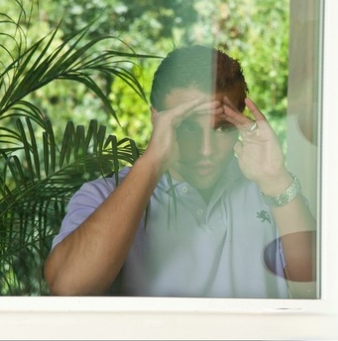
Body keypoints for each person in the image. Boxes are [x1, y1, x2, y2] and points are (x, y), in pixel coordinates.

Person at [44, 45, 316, 298]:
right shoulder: (103, 194)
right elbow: (69, 288)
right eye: (187, 127)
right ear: (156, 119)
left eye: (221, 129)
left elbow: (317, 291)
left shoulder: (272, 192)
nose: (206, 150)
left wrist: (277, 181)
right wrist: (152, 162)